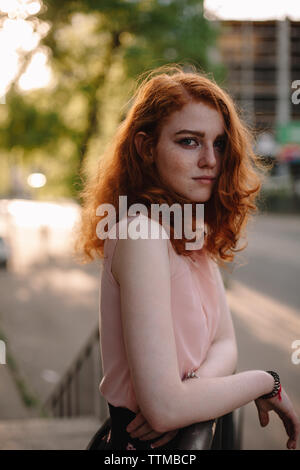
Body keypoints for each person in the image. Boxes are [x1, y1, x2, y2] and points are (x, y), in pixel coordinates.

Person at [75, 64, 300, 450]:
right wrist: (266, 382)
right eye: (189, 141)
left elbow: (225, 344)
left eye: (219, 143)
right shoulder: (141, 232)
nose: (211, 160)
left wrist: (189, 396)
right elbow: (162, 410)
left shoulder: (189, 232)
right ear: (147, 148)